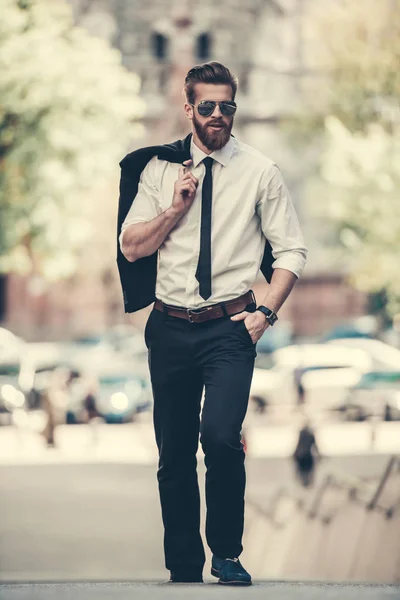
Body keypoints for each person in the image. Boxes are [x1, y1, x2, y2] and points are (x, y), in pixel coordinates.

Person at [119, 62, 307, 585]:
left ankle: (226, 552)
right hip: (170, 327)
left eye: (227, 106)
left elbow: (292, 248)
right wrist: (174, 210)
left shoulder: (260, 171)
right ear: (189, 109)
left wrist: (266, 313)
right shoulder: (158, 171)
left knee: (221, 438)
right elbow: (131, 248)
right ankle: (183, 566)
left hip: (230, 327)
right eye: (208, 106)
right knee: (174, 450)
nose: (218, 115)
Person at [293, 420, 320, 487]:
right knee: (306, 472)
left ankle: (304, 485)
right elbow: (315, 447)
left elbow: (298, 446)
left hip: (302, 456)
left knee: (304, 472)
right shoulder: (310, 435)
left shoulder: (303, 434)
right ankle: (306, 485)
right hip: (306, 457)